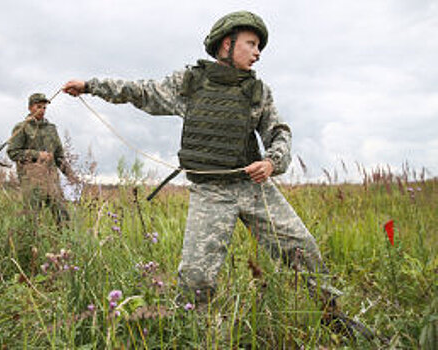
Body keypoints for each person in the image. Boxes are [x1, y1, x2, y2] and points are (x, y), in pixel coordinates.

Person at [62, 11, 375, 340]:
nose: (258, 53)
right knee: (196, 278)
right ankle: (197, 335)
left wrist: (271, 162)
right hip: (210, 193)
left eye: (259, 46)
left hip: (253, 188)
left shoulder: (258, 91)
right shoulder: (190, 83)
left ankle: (333, 318)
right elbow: (141, 91)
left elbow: (279, 132)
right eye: (251, 44)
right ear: (227, 44)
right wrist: (90, 86)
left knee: (303, 249)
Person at [7, 93, 77, 226]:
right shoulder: (22, 128)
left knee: (63, 216)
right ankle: (32, 245)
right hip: (31, 181)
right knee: (32, 218)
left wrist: (70, 175)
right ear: (30, 108)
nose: (42, 110)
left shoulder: (51, 129)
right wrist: (37, 155)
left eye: (44, 107)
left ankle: (66, 245)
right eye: (38, 107)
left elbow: (59, 156)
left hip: (52, 179)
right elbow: (13, 153)